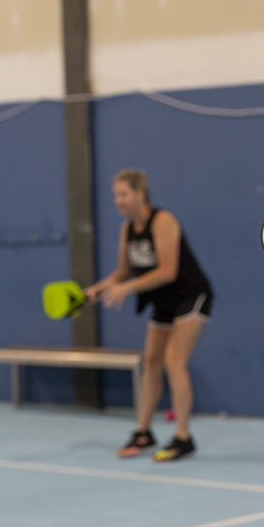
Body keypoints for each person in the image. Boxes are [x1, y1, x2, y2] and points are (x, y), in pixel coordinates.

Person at [84, 168, 213, 461]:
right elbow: (122, 272)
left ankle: (183, 437)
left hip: (191, 295)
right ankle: (143, 432)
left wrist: (126, 289)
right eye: (115, 195)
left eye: (123, 194)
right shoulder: (127, 229)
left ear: (140, 194)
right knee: (152, 362)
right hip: (164, 300)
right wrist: (94, 291)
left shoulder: (163, 221)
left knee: (174, 361)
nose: (117, 200)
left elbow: (167, 271)